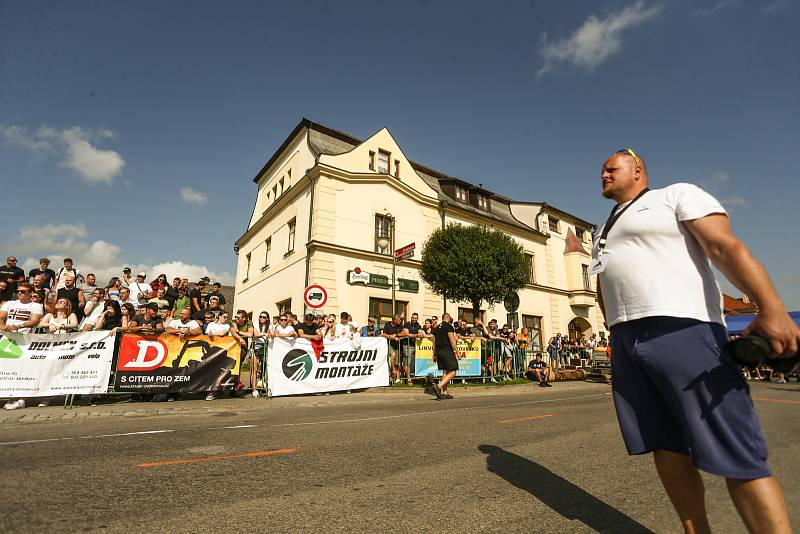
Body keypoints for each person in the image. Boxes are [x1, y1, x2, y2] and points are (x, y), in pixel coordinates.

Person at [594, 147, 799, 533]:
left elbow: (724, 247)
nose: (603, 175)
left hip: (684, 329)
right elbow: (604, 282)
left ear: (637, 170)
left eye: (611, 168)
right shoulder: (600, 229)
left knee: (737, 449)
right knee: (665, 444)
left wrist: (771, 306)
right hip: (625, 339)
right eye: (601, 171)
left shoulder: (676, 195)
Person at [0, 283, 44, 411]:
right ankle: (10, 395)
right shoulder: (9, 303)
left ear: (31, 293)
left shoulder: (36, 306)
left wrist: (17, 326)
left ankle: (22, 399)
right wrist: (4, 327)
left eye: (23, 292)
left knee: (24, 369)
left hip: (25, 340)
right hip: (8, 339)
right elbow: (1, 318)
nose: (20, 293)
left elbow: (34, 321)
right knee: (7, 369)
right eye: (19, 291)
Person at [431, 313, 459, 400]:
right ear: (448, 318)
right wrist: (457, 350)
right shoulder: (448, 326)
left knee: (445, 372)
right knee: (453, 371)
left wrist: (434, 353)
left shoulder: (436, 328)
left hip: (439, 351)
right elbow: (452, 340)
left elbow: (434, 342)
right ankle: (439, 386)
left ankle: (445, 392)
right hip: (447, 350)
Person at [380, 315, 406, 384]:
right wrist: (390, 337)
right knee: (393, 355)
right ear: (394, 320)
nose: (400, 321)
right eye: (399, 320)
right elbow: (383, 334)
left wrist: (395, 335)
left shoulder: (400, 325)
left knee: (397, 361)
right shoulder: (387, 325)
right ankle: (393, 371)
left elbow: (403, 333)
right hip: (389, 344)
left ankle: (397, 377)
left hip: (397, 345)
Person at [252, 311, 271, 391]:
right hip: (256, 346)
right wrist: (265, 334)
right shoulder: (256, 323)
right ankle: (254, 389)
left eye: (264, 317)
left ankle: (263, 384)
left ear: (267, 319)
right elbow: (255, 334)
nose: (261, 318)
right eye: (260, 317)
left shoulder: (269, 325)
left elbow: (272, 333)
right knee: (255, 369)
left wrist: (270, 334)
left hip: (266, 346)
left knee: (265, 367)